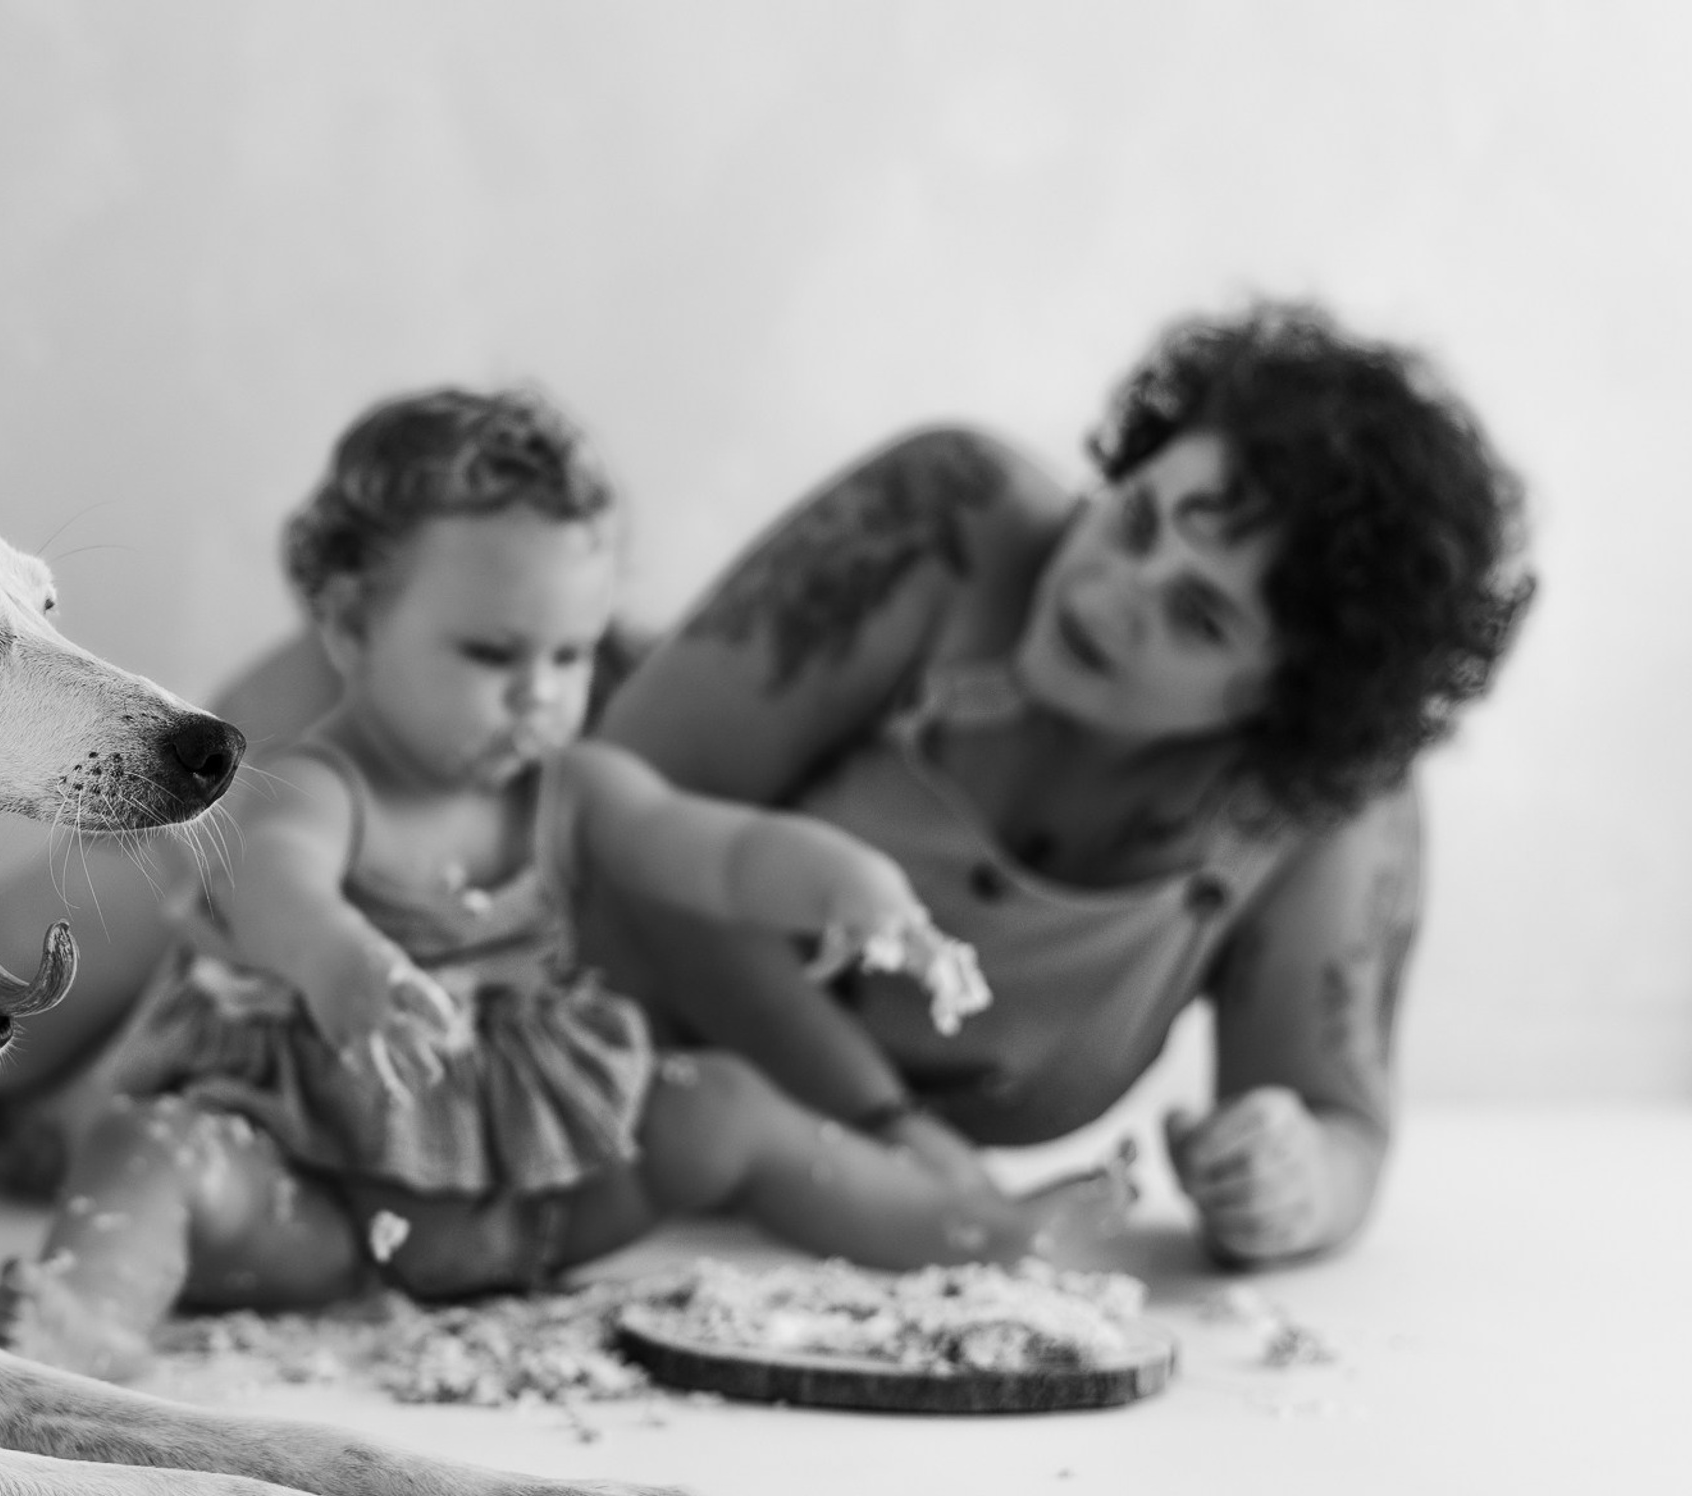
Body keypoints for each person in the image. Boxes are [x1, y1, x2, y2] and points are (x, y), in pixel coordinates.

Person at [0, 387, 1116, 1378]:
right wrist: (345, 964)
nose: (538, 696)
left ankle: (971, 1232)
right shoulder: (318, 789)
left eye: (570, 657)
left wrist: (846, 885)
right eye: (492, 655)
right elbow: (278, 889)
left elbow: (714, 851)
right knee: (149, 1146)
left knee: (719, 1104)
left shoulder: (574, 790)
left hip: (531, 1201)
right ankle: (81, 1321)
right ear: (349, 623)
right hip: (319, 1202)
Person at [582, 302, 1533, 1268]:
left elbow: (1341, 1127)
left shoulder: (1326, 810)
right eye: (1134, 519)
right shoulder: (940, 521)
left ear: (1286, 709)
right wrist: (889, 1126)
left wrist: (1288, 1180)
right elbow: (603, 819)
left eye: (1197, 618)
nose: (1108, 593)